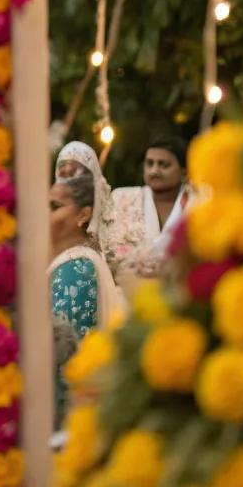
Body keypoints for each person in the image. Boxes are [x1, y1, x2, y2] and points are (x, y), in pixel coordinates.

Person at [102, 135, 192, 292]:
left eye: (163, 165)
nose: (154, 170)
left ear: (184, 172)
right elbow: (107, 250)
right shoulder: (123, 198)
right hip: (129, 295)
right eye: (149, 163)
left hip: (184, 296)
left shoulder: (198, 202)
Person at [48, 163, 124, 339]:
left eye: (55, 206)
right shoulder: (71, 259)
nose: (45, 213)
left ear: (83, 214)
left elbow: (68, 348)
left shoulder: (75, 268)